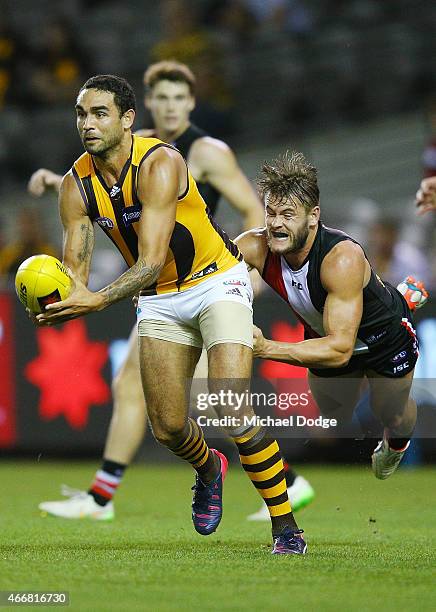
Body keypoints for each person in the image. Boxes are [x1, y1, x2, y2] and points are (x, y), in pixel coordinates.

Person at [33, 74, 306, 555]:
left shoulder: (161, 162)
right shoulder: (75, 188)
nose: (89, 123)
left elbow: (152, 259)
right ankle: (208, 467)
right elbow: (74, 272)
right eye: (81, 114)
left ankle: (286, 528)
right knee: (169, 427)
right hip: (159, 300)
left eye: (100, 113)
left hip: (215, 280)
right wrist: (58, 296)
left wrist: (98, 300)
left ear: (128, 119)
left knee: (229, 402)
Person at [235, 150, 422, 481]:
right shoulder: (255, 245)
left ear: (313, 216)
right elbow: (206, 273)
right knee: (335, 414)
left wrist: (265, 348)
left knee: (390, 414)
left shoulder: (341, 258)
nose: (276, 223)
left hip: (382, 336)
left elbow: (339, 351)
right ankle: (402, 295)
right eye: (271, 213)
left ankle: (396, 446)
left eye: (288, 215)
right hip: (327, 332)